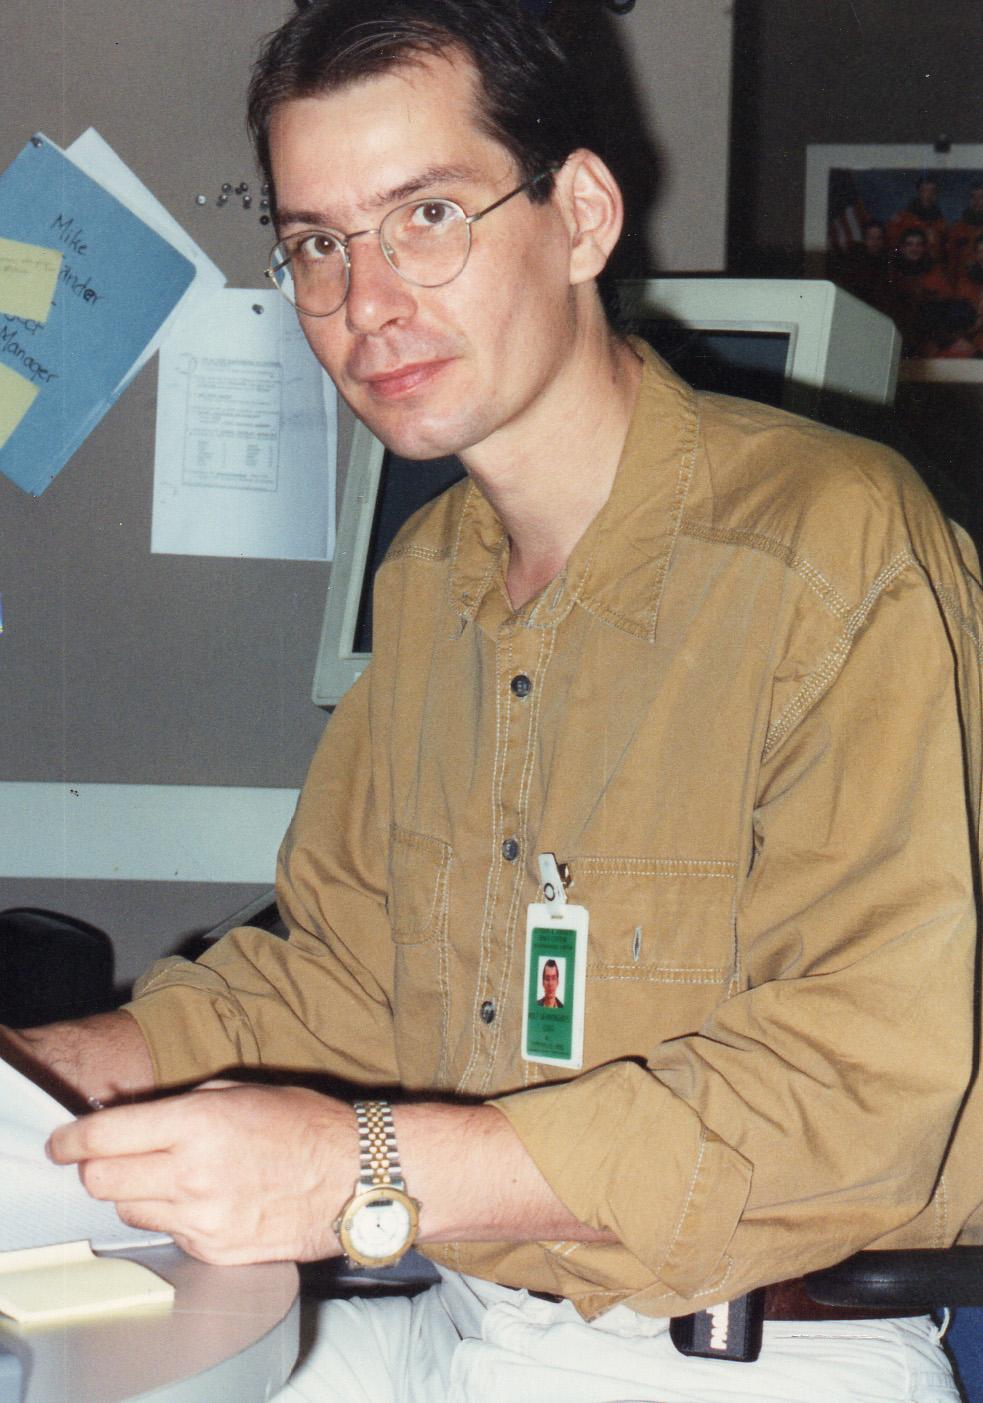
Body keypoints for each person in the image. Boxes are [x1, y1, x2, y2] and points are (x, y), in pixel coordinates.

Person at [4, 2, 983, 1399]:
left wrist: (360, 1167)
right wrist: (46, 1077)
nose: (365, 301)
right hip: (469, 1318)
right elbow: (340, 973)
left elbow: (862, 1097)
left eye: (427, 215)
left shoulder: (836, 549)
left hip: (751, 1352)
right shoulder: (432, 582)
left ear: (581, 216)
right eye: (317, 244)